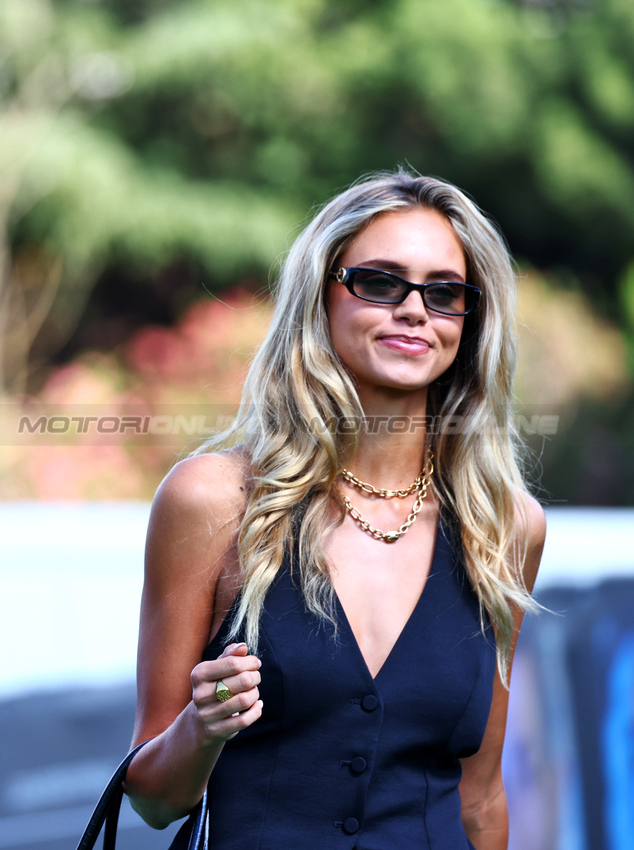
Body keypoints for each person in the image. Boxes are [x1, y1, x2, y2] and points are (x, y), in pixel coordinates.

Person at [124, 171, 546, 849]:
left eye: (444, 293)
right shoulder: (212, 501)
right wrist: (200, 730)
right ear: (319, 297)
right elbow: (153, 799)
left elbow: (481, 795)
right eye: (379, 282)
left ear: (469, 323)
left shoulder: (505, 527)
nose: (414, 310)